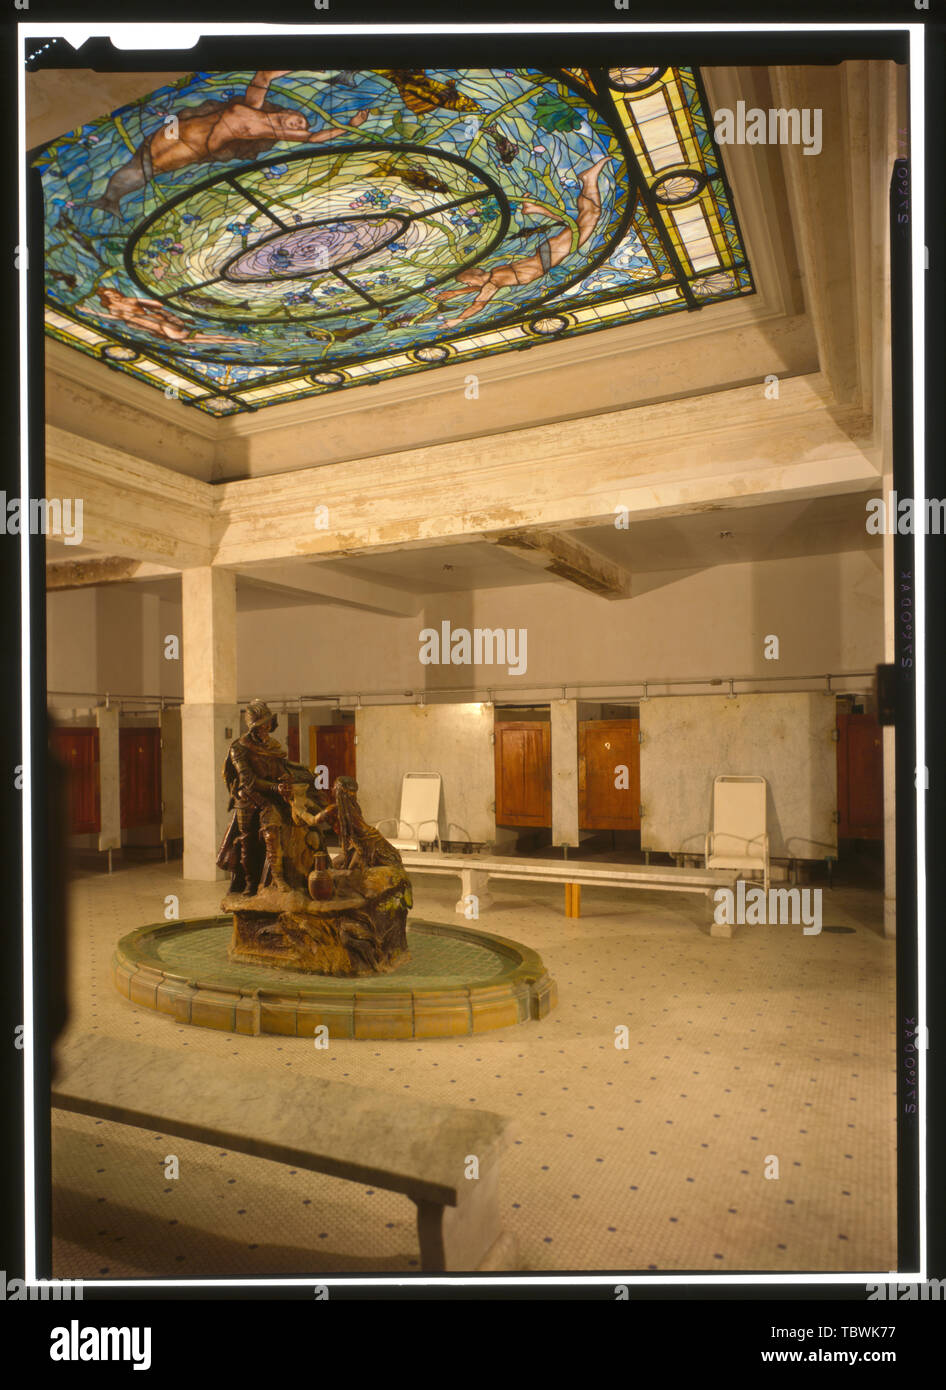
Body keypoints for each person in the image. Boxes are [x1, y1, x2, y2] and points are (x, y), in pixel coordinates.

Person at [93, 70, 371, 215]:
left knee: (149, 168)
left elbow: (315, 138)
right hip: (178, 126)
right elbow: (264, 76)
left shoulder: (275, 134)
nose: (300, 124)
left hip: (195, 148)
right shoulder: (253, 105)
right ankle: (107, 198)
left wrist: (348, 127)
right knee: (139, 157)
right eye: (299, 119)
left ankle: (111, 200)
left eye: (301, 126)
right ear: (287, 111)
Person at [434, 156, 611, 327]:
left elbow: (478, 304)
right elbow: (479, 291)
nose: (469, 286)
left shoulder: (493, 282)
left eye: (467, 283)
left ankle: (586, 179)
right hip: (546, 255)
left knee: (589, 217)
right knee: (582, 220)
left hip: (548, 257)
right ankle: (537, 208)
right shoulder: (493, 279)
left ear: (474, 277)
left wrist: (458, 320)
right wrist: (456, 292)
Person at [217, 699, 295, 895]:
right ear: (254, 726)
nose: (266, 727)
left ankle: (282, 877)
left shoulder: (274, 746)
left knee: (288, 830)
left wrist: (285, 779)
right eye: (261, 724)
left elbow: (280, 770)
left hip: (273, 798)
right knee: (248, 842)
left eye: (268, 723)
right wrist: (277, 787)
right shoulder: (239, 748)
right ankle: (250, 883)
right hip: (248, 800)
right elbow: (248, 780)